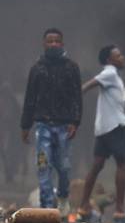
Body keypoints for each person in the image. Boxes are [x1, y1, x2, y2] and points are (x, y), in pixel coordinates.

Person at [20, 28, 83, 212]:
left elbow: (76, 97)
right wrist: (25, 125)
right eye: (50, 41)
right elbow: (30, 98)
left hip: (64, 125)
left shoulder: (71, 68)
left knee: (63, 167)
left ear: (62, 43)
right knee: (43, 165)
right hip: (42, 126)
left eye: (57, 41)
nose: (53, 44)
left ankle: (63, 196)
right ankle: (47, 206)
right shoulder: (37, 69)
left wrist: (75, 121)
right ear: (44, 44)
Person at [76, 45, 125, 223]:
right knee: (122, 165)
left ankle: (83, 206)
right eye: (118, 55)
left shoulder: (114, 77)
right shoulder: (110, 73)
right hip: (115, 127)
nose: (122, 57)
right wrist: (74, 95)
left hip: (103, 128)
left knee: (97, 165)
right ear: (110, 60)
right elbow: (88, 85)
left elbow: (117, 100)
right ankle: (119, 210)